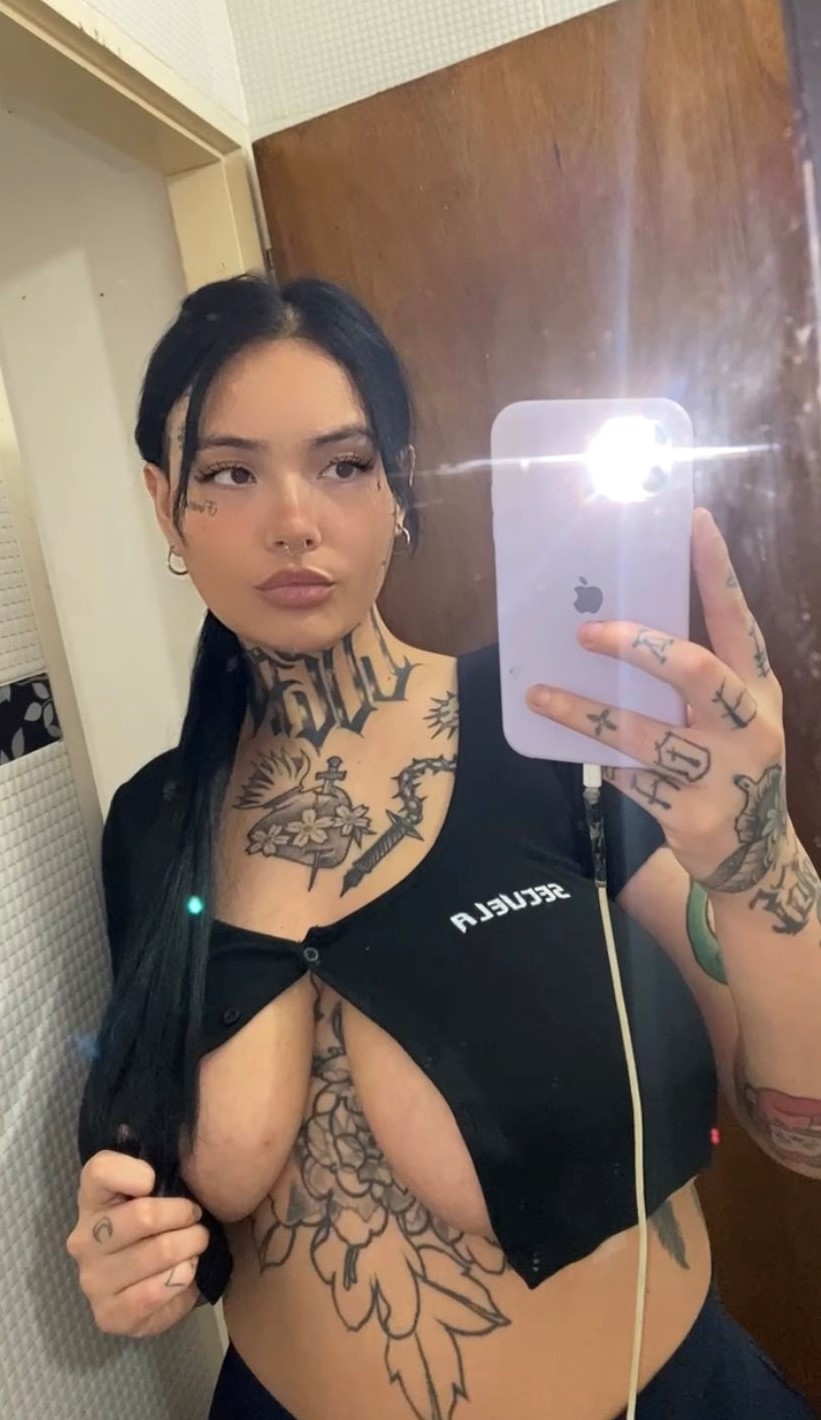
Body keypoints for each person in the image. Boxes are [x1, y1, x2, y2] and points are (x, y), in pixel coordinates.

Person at [66, 274, 820, 1420]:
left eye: (342, 464)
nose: (292, 519)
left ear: (399, 488)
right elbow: (170, 1190)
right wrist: (133, 1258)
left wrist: (757, 864)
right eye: (229, 472)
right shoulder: (153, 822)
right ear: (165, 503)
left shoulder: (555, 727)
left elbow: (802, 1132)